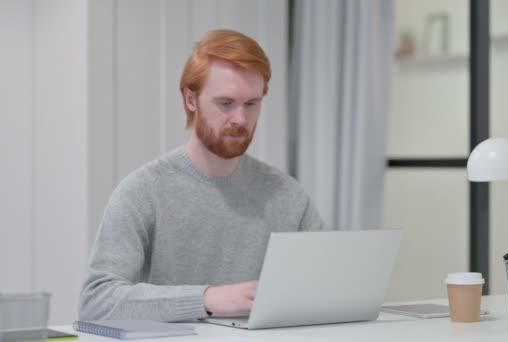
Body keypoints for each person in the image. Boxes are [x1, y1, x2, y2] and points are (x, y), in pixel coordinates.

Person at [79, 29, 326, 322]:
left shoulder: (287, 196)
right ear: (191, 99)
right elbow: (96, 302)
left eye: (251, 104)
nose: (240, 119)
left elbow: (327, 287)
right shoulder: (144, 190)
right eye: (225, 103)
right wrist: (206, 299)